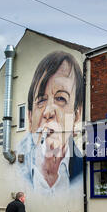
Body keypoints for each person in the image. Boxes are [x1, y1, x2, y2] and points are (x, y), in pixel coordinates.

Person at [17, 51, 83, 195]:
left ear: (76, 114)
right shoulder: (18, 166)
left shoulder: (83, 168)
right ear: (29, 117)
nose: (48, 112)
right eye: (41, 100)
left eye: (60, 99)